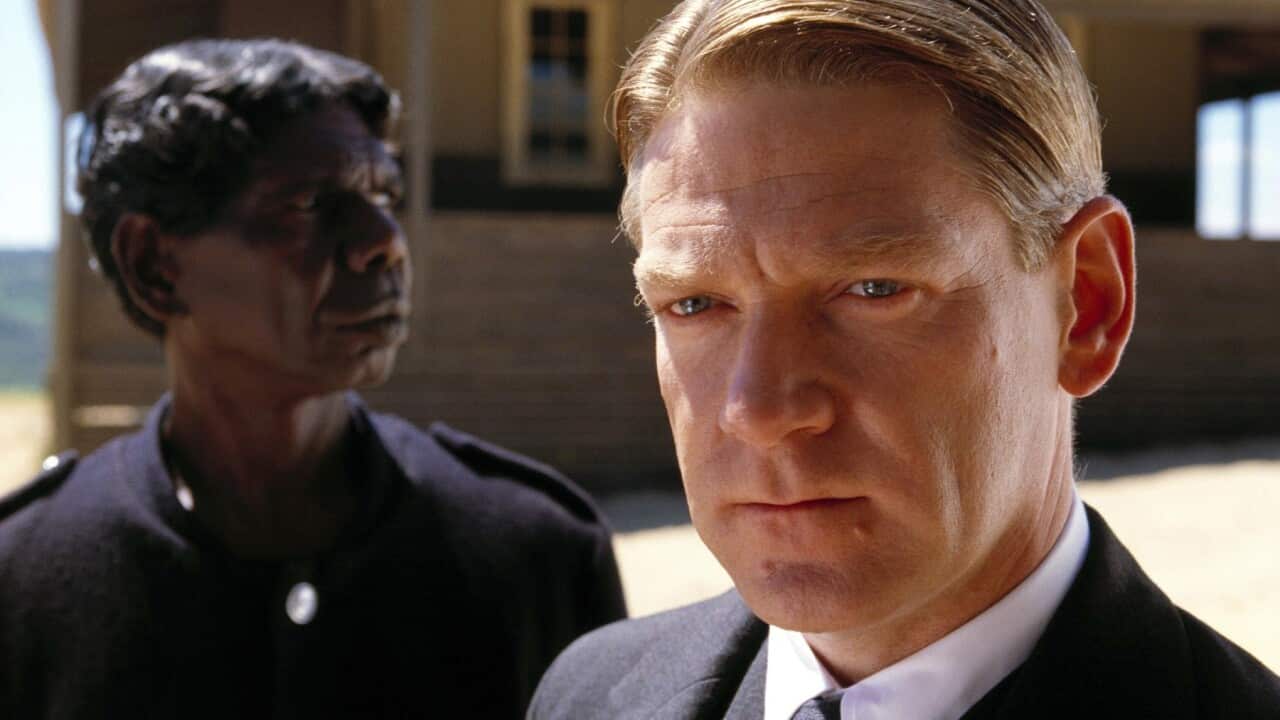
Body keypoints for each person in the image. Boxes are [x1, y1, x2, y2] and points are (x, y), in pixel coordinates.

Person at [529, 1, 1280, 718]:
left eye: (874, 289)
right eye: (695, 304)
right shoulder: (588, 696)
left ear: (1086, 303)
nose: (759, 411)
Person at [0, 38, 625, 718]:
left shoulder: (536, 557)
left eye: (384, 192)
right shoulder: (26, 578)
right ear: (154, 264)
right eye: (307, 203)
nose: (384, 238)